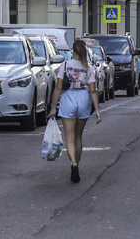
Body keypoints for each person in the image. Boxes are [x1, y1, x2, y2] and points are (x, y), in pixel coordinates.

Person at [48, 38, 102, 183]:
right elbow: (93, 90)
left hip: (68, 99)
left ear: (73, 50)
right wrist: (97, 111)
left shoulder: (65, 65)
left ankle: (73, 163)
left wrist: (53, 108)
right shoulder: (88, 68)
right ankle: (77, 162)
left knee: (69, 137)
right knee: (78, 136)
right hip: (83, 98)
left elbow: (58, 88)